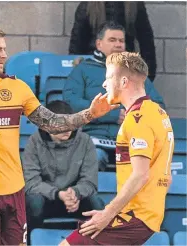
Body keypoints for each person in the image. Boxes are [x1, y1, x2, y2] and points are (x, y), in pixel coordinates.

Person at [0, 23, 119, 245]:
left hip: (14, 193)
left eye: (5, 48)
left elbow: (53, 122)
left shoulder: (17, 88)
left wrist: (89, 114)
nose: (5, 55)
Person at [60, 52, 174, 246]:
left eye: (108, 78)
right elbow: (167, 177)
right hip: (143, 215)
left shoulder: (138, 119)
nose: (104, 84)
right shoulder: (157, 112)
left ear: (123, 81)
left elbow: (140, 175)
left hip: (134, 215)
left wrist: (108, 213)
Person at [63, 21, 165, 171]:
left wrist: (134, 115)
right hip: (94, 138)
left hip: (131, 139)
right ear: (99, 44)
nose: (118, 44)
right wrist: (111, 114)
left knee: (146, 166)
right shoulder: (83, 70)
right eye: (112, 40)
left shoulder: (135, 72)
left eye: (121, 41)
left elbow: (158, 106)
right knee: (93, 159)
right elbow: (70, 104)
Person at [22, 100, 105, 244]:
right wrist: (57, 194)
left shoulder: (85, 141)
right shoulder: (34, 142)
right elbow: (31, 182)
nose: (67, 129)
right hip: (46, 199)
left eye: (71, 124)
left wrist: (75, 192)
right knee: (33, 201)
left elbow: (90, 182)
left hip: (76, 200)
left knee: (96, 203)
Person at [69, 1, 156, 81]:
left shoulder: (134, 5)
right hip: (94, 67)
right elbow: (77, 44)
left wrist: (147, 77)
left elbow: (147, 43)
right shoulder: (88, 5)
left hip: (124, 68)